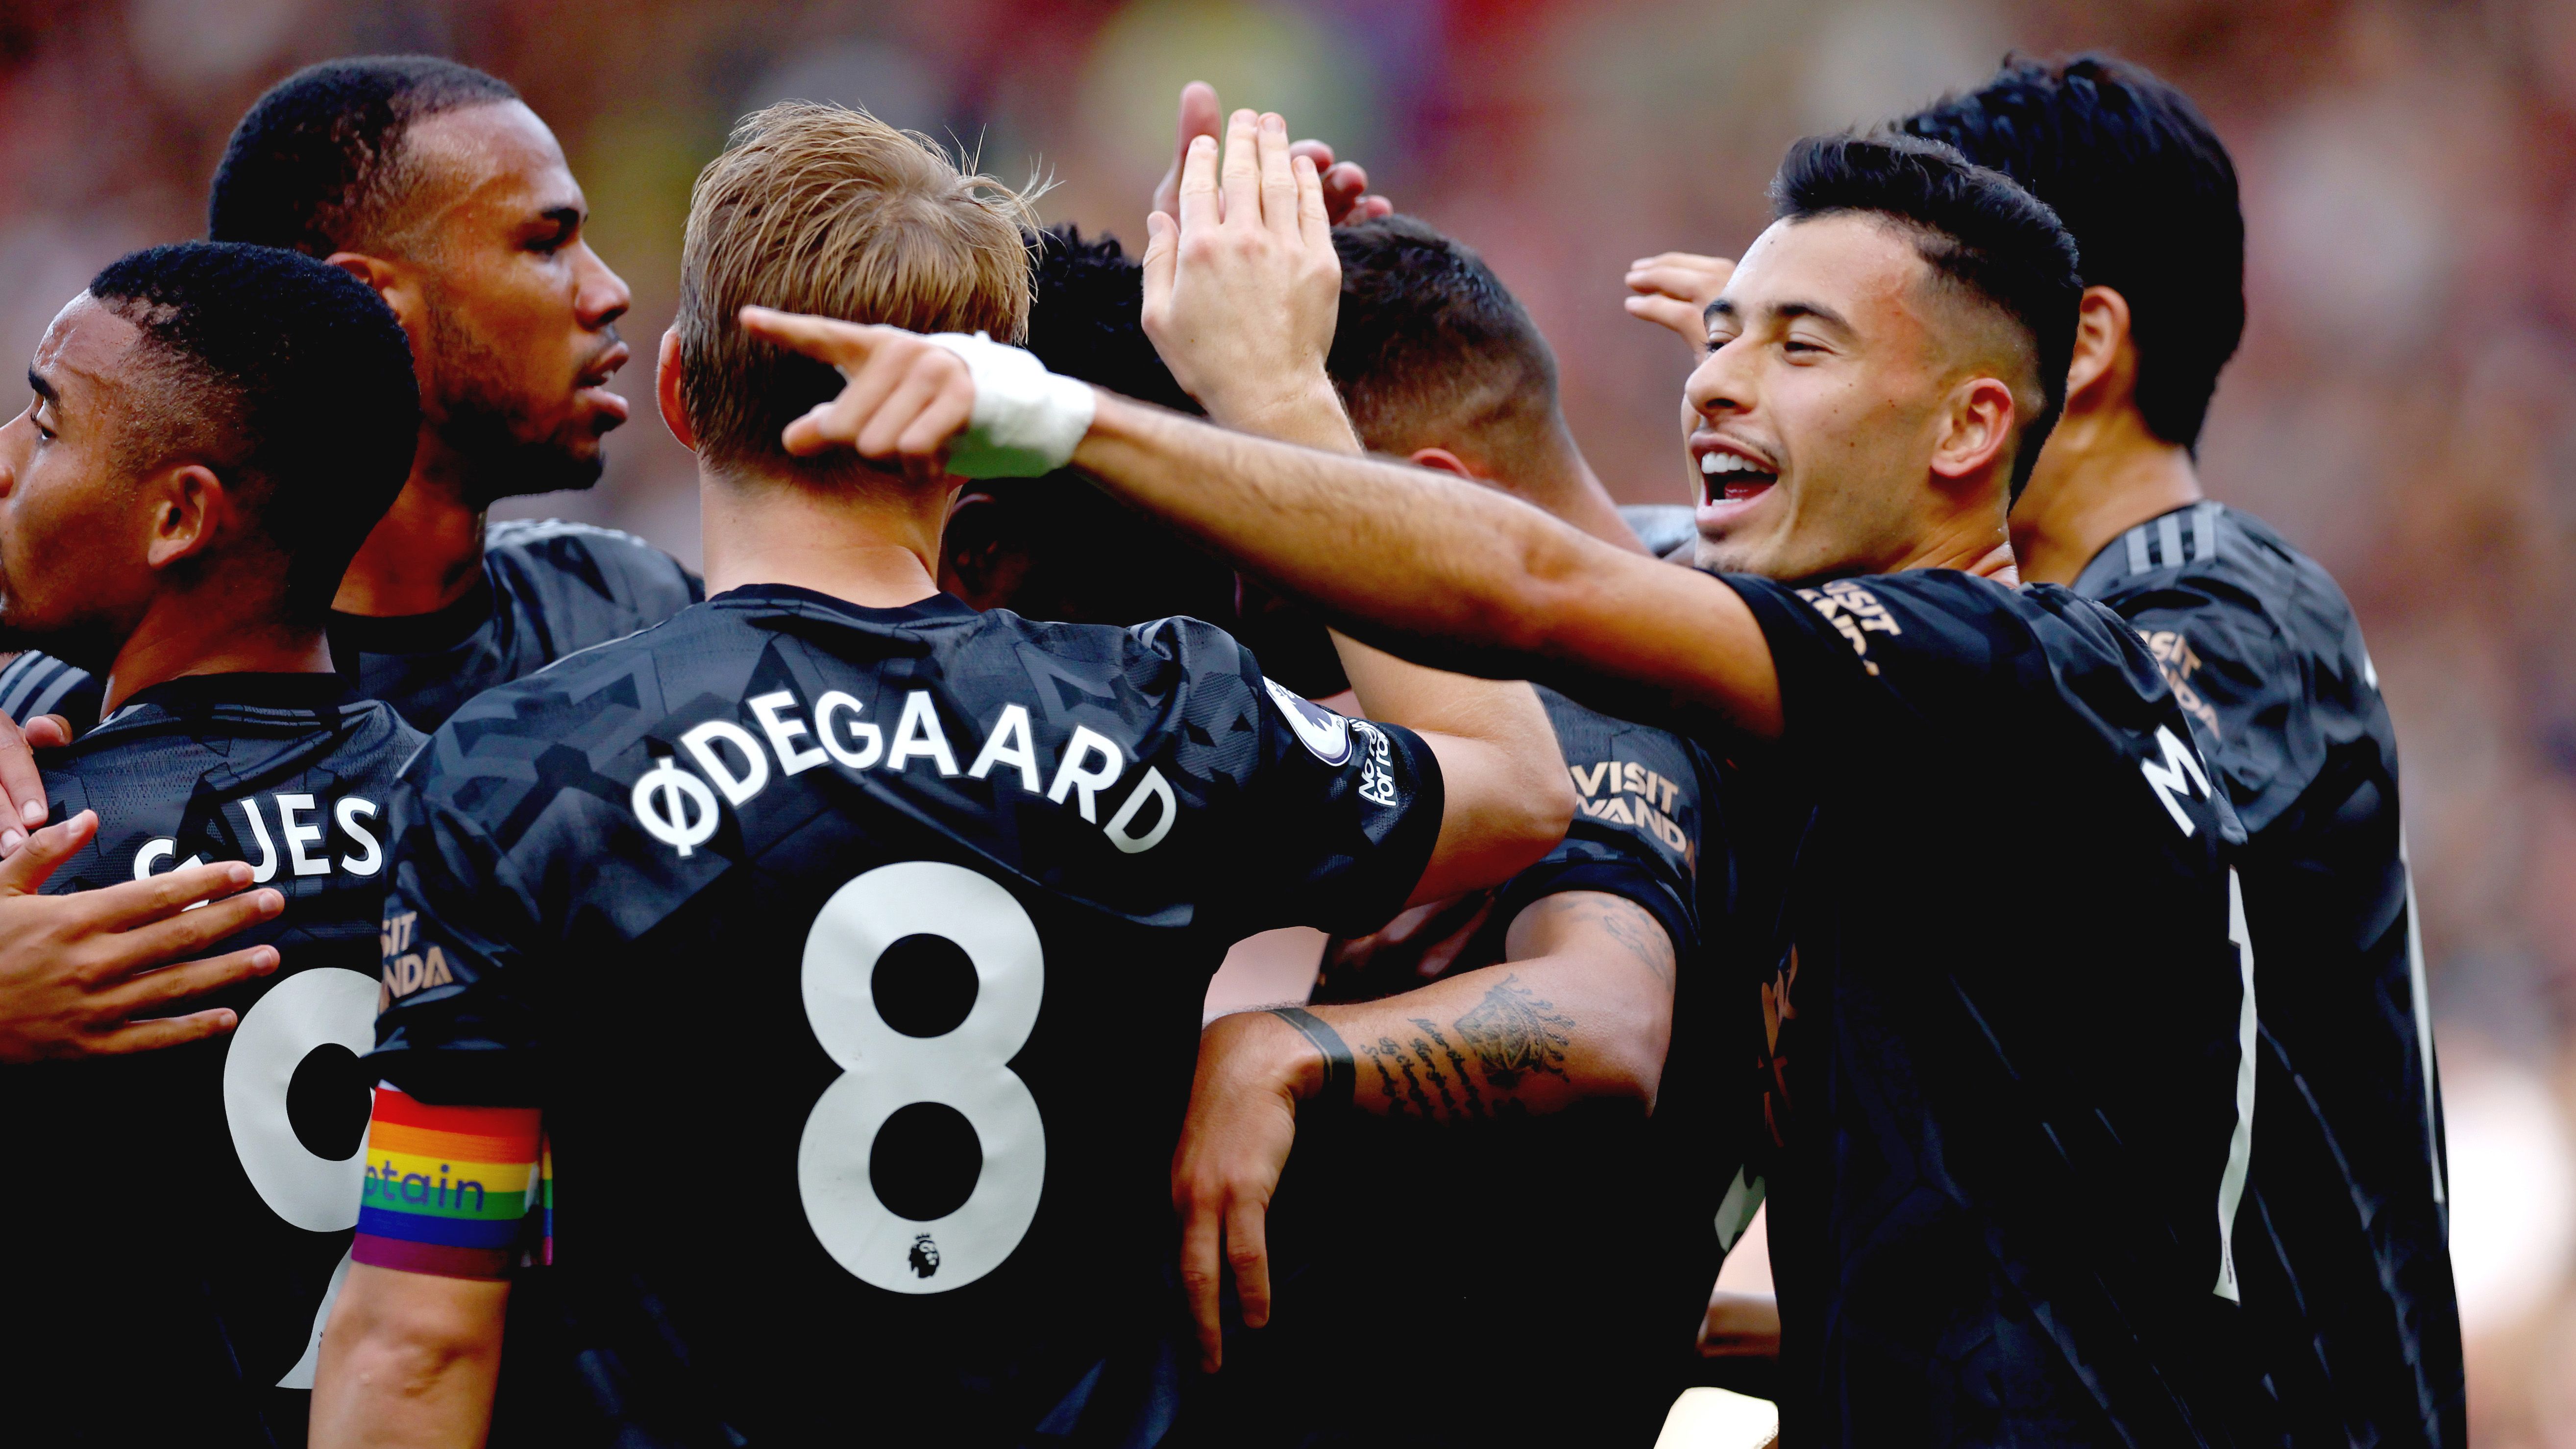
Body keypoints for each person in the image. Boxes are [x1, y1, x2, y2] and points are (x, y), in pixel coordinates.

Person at [749, 119, 2269, 1443]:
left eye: (1798, 344)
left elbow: (1539, 606)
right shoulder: (1852, 732)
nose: (1719, 383)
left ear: (1971, 426)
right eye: (1719, 334)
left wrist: (1164, 403)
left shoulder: (2007, 673)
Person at [308, 103, 1571, 1447]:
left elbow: (421, 1329)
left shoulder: (512, 774)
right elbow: (1517, 778)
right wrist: (1277, 394)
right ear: (982, 428)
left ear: (678, 391)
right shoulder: (1165, 711)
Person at [1164, 214, 1738, 1447]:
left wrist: (1286, 1052)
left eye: (1278, 532)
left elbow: (1604, 1019)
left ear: (1424, 503)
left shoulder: (1580, 701)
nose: (1247, 583)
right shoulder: (1677, 600)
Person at [0, 242, 426, 1446]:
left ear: (180, 516)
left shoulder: (35, 854)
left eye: (45, 420)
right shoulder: (485, 815)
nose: (3, 462)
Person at [2, 55, 696, 738]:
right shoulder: (64, 710)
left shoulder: (641, 607)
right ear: (373, 302)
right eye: (546, 243)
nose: (609, 292)